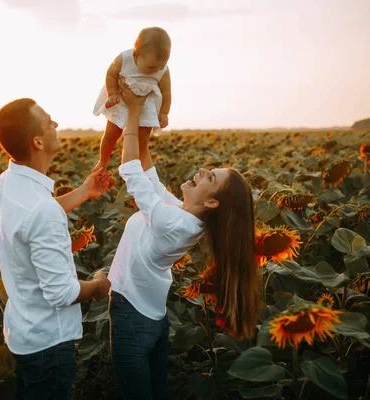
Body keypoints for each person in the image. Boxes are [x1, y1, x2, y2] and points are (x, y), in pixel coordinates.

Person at [107, 78, 259, 399]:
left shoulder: (173, 223)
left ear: (212, 202)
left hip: (133, 319)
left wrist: (132, 114)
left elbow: (131, 170)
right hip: (151, 317)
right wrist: (149, 107)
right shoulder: (181, 215)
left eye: (211, 177)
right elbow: (147, 169)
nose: (203, 170)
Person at [0, 98, 112, 400]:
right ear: (38, 141)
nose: (56, 124)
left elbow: (33, 218)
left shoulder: (6, 184)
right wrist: (99, 285)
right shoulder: (40, 209)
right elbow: (62, 293)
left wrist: (84, 192)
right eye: (48, 121)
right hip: (49, 344)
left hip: (22, 331)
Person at [92, 27, 172, 171]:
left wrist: (164, 113)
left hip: (146, 105)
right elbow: (111, 74)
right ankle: (103, 161)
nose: (156, 71)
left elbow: (166, 92)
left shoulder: (163, 69)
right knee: (110, 135)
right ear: (136, 56)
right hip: (120, 100)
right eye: (152, 67)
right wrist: (113, 94)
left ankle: (140, 168)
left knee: (141, 141)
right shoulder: (124, 59)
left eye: (160, 67)